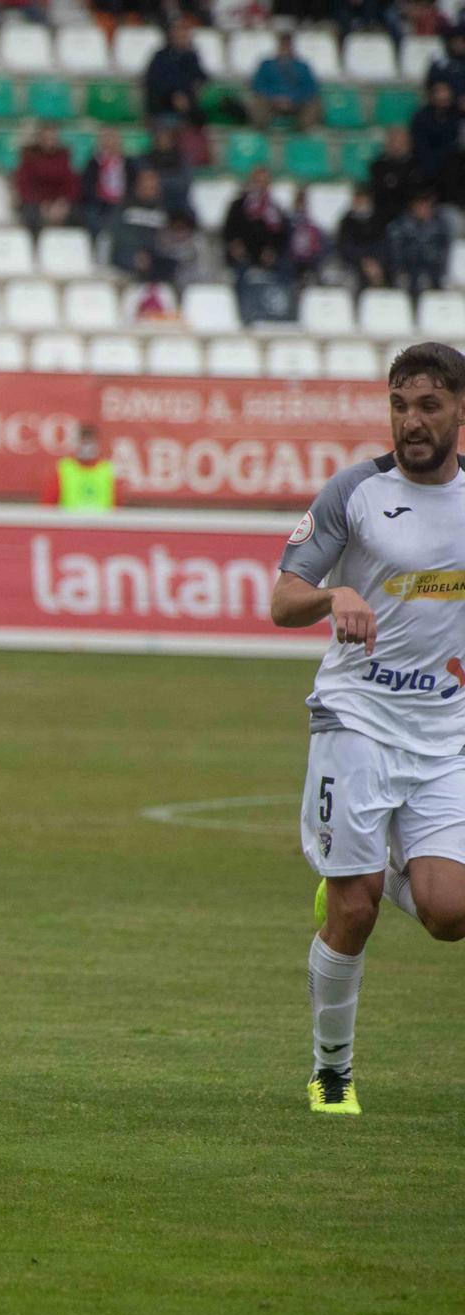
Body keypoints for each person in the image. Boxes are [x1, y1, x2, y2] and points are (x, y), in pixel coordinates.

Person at [270, 342, 465, 1118]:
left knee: (449, 914)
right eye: (399, 404)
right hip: (355, 718)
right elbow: (284, 597)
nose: (411, 421)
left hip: (444, 733)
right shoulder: (355, 491)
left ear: (458, 409)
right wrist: (334, 594)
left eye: (428, 405)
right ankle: (330, 1072)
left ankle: (383, 871)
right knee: (350, 911)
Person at [222, 165, 290, 276]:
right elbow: (229, 230)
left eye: (264, 182)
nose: (261, 186)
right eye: (258, 181)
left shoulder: (274, 209)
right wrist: (234, 244)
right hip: (242, 254)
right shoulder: (238, 205)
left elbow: (281, 235)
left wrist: (272, 250)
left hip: (267, 256)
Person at [14, 123, 80, 236]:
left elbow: (72, 183)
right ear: (40, 139)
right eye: (46, 138)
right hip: (35, 202)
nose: (50, 141)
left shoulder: (64, 156)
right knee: (32, 214)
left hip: (59, 203)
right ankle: (37, 248)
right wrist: (43, 205)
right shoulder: (30, 156)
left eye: (53, 138)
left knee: (78, 213)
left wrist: (62, 202)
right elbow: (25, 185)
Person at [108, 167, 172, 281]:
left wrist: (149, 251)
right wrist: (137, 252)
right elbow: (117, 232)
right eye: (145, 186)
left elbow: (167, 236)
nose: (149, 189)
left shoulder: (165, 210)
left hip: (155, 255)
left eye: (153, 187)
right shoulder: (125, 206)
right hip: (128, 253)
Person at [248, 31, 321, 130]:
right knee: (258, 102)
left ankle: (303, 134)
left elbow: (310, 89)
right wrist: (276, 98)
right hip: (271, 101)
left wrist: (292, 99)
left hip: (296, 103)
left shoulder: (302, 67)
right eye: (283, 45)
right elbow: (258, 85)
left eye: (288, 45)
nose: (285, 48)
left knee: (313, 103)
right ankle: (260, 131)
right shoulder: (266, 65)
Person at [386, 192, 451, 297]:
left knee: (434, 282)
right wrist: (400, 268)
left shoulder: (440, 226)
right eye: (420, 206)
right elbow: (396, 250)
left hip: (432, 267)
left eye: (426, 206)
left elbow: (444, 250)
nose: (423, 209)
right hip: (409, 266)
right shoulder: (402, 225)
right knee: (406, 281)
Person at [143, 18, 207, 125]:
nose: (182, 36)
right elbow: (154, 81)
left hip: (187, 106)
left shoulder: (191, 57)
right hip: (163, 106)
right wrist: (174, 95)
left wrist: (190, 95)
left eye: (184, 33)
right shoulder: (161, 57)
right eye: (179, 32)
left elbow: (201, 77)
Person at [40, 427, 115, 511]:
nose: (86, 448)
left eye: (89, 443)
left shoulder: (107, 471)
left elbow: (117, 505)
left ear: (98, 445)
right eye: (83, 442)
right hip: (69, 523)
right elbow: (48, 506)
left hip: (102, 523)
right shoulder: (64, 470)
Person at [368, 126, 423, 228]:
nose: (397, 145)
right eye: (393, 141)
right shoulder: (378, 166)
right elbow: (376, 191)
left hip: (411, 214)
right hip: (383, 213)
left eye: (401, 142)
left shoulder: (417, 165)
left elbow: (418, 192)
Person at [79, 128, 130, 237]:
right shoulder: (93, 163)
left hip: (122, 202)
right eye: (106, 140)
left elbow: (133, 185)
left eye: (112, 139)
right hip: (99, 203)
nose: (109, 143)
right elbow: (86, 186)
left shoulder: (128, 163)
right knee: (91, 213)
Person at [336, 186, 389, 291]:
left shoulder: (378, 219)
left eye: (363, 199)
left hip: (376, 260)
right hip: (354, 261)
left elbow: (383, 243)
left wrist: (374, 261)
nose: (360, 202)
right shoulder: (347, 221)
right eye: (358, 199)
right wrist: (363, 260)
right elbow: (345, 245)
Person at [408, 81, 460, 184]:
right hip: (427, 165)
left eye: (445, 92)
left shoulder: (457, 115)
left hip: (454, 165)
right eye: (439, 92)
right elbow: (420, 145)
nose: (442, 96)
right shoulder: (421, 117)